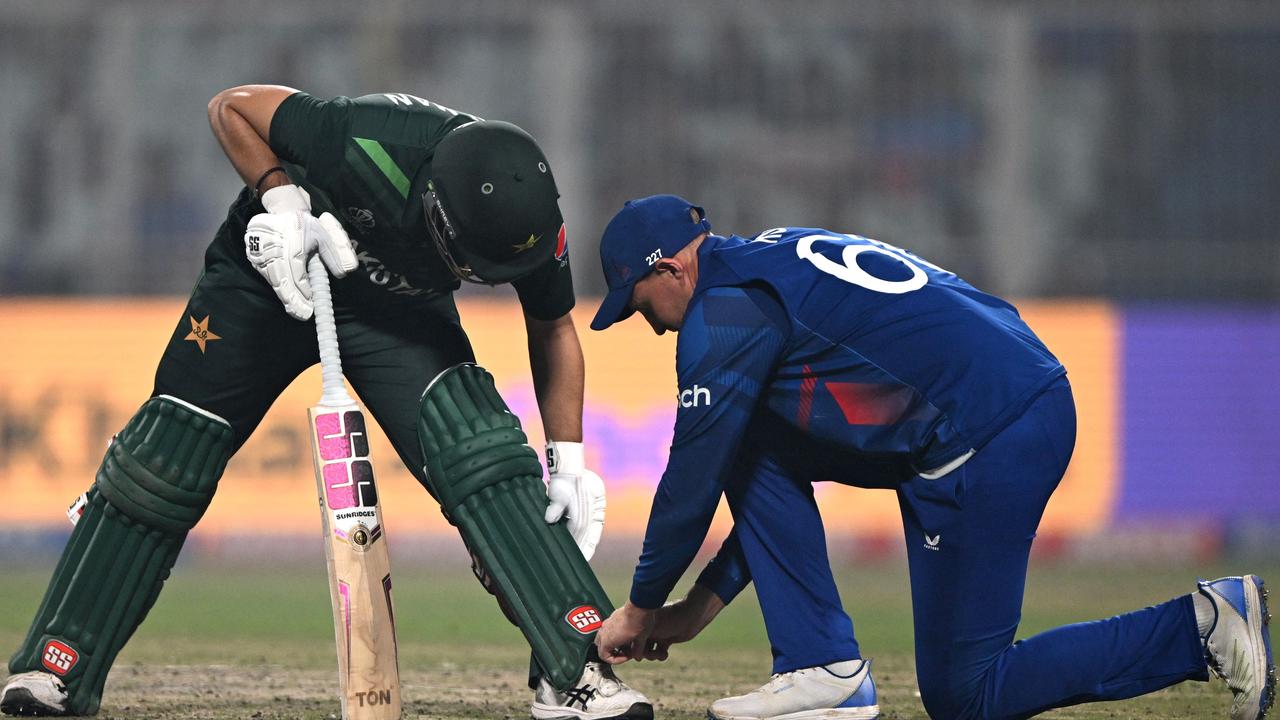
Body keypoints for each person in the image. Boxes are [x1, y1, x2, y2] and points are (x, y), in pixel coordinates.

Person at [0, 85, 652, 720]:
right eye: (468, 262)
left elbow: (554, 327)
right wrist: (282, 202)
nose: (474, 278)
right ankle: (57, 665)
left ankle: (576, 673)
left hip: (395, 311)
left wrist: (566, 459)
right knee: (165, 459)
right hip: (270, 280)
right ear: (432, 204)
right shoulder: (363, 139)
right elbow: (231, 106)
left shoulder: (527, 221)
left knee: (483, 454)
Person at [588, 194, 1275, 720]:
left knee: (969, 694)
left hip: (993, 427)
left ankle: (1204, 627)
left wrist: (643, 608)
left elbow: (688, 486)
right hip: (1002, 399)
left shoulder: (725, 314)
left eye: (636, 301)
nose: (640, 320)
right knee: (747, 438)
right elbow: (756, 482)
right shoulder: (769, 260)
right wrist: (696, 612)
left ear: (671, 267)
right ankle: (822, 666)